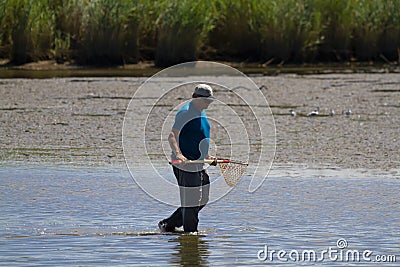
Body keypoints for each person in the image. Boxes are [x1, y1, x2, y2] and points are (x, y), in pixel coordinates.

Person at [158, 84, 217, 233]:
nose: (207, 104)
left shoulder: (201, 112)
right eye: (204, 101)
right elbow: (172, 136)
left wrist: (207, 156)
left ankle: (168, 224)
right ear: (194, 97)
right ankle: (191, 235)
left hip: (199, 163)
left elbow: (199, 137)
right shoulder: (185, 113)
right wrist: (178, 154)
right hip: (185, 164)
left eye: (209, 101)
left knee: (203, 198)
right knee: (191, 201)